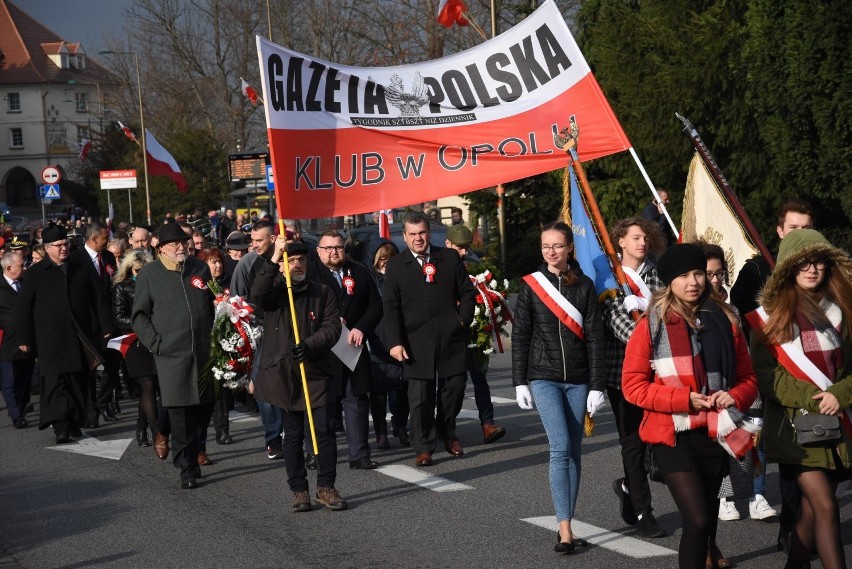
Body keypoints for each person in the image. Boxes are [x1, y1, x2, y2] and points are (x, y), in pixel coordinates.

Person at [622, 244, 759, 569]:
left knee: (707, 527)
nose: (693, 281)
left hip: (716, 432)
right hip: (672, 434)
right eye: (683, 275)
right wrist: (683, 399)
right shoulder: (650, 324)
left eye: (698, 273)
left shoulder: (725, 320)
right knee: (696, 520)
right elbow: (632, 387)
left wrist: (735, 396)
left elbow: (748, 377)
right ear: (670, 281)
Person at [749, 229, 852, 569]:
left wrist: (839, 393)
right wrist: (813, 397)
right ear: (788, 269)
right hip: (794, 429)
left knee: (809, 514)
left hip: (837, 424)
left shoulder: (843, 312)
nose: (812, 269)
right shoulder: (769, 316)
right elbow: (769, 376)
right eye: (803, 263)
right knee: (825, 506)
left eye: (819, 261)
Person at [512, 221, 605, 554]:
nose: (550, 251)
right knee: (560, 445)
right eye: (545, 246)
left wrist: (598, 385)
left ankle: (568, 519)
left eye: (557, 246)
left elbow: (596, 337)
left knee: (575, 453)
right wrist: (519, 381)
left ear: (570, 249)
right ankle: (564, 530)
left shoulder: (585, 286)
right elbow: (520, 335)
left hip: (578, 380)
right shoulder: (532, 286)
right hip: (543, 376)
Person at [729, 198, 815, 553]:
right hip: (777, 376)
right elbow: (740, 314)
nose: (799, 235)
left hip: (816, 378)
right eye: (792, 228)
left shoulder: (822, 271)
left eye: (806, 228)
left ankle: (802, 529)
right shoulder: (757, 270)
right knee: (792, 459)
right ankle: (789, 527)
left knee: (815, 462)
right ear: (780, 232)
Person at [251, 238, 346, 511]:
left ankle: (326, 487)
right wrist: (273, 258)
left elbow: (331, 329)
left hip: (316, 373)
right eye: (291, 260)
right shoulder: (275, 292)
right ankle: (299, 490)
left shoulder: (323, 292)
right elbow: (257, 294)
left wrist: (309, 345)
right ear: (282, 264)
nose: (297, 264)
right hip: (284, 376)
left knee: (324, 432)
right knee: (291, 436)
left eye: (301, 260)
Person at [383, 211, 476, 466]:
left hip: (450, 337)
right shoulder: (395, 265)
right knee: (420, 398)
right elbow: (390, 308)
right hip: (414, 342)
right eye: (412, 234)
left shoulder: (449, 258)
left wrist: (462, 320)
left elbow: (467, 293)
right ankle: (423, 446)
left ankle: (447, 433)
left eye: (422, 232)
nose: (418, 238)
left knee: (454, 389)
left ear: (429, 233)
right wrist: (395, 342)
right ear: (404, 236)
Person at [698, 241, 777, 525]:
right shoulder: (693, 311)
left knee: (755, 434)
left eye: (719, 273)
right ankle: (725, 498)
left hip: (741, 382)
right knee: (724, 440)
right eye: (708, 274)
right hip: (711, 388)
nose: (716, 280)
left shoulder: (732, 308)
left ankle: (757, 495)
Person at [132, 222, 215, 489]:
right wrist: (156, 343)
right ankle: (186, 468)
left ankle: (196, 451)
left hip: (203, 353)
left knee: (203, 411)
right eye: (175, 244)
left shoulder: (199, 268)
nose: (181, 247)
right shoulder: (150, 274)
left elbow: (215, 300)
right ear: (161, 247)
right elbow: (140, 316)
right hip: (171, 355)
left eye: (184, 242)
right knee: (180, 416)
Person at [601, 217, 667, 537]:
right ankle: (644, 512)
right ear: (621, 242)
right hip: (622, 373)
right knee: (633, 443)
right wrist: (651, 342)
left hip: (659, 371)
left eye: (645, 238)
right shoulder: (609, 277)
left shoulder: (658, 275)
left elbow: (670, 314)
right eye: (636, 238)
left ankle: (628, 485)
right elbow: (618, 324)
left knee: (658, 438)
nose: (642, 243)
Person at [16, 225, 102, 444]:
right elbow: (24, 308)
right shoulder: (35, 273)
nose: (64, 248)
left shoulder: (79, 267)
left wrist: (106, 326)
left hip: (77, 336)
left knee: (77, 381)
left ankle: (73, 422)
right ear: (47, 248)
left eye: (66, 244)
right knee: (55, 384)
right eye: (59, 245)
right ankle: (60, 427)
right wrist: (24, 338)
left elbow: (98, 298)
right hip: (49, 339)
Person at [309, 230, 382, 469]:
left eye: (338, 247)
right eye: (328, 248)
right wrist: (327, 323)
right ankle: (317, 453)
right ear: (319, 251)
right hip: (323, 349)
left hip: (353, 346)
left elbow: (375, 305)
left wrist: (361, 327)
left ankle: (359, 454)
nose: (333, 252)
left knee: (357, 400)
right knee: (323, 404)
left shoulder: (359, 271)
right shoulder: (310, 275)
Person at [445, 224, 507, 444]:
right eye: (458, 247)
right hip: (451, 335)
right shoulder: (438, 268)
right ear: (447, 244)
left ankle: (487, 424)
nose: (463, 252)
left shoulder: (475, 268)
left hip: (476, 334)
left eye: (466, 247)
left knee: (480, 379)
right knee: (454, 384)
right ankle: (447, 428)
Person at [231, 220, 281, 457]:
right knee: (263, 385)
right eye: (252, 240)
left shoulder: (292, 258)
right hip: (262, 331)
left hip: (291, 329)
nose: (254, 245)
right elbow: (237, 301)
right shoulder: (247, 263)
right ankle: (273, 437)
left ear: (273, 238)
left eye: (259, 240)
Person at [68, 220, 119, 426]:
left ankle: (101, 403)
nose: (109, 241)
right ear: (94, 238)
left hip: (110, 322)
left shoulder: (107, 257)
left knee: (112, 368)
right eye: (106, 238)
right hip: (88, 324)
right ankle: (90, 412)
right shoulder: (75, 260)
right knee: (89, 371)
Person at [112, 250, 159, 447]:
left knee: (151, 387)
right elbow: (118, 316)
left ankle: (141, 428)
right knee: (146, 384)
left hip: (153, 340)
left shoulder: (155, 285)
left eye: (144, 270)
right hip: (134, 342)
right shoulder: (121, 287)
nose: (140, 273)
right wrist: (140, 323)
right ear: (129, 269)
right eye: (137, 270)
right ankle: (158, 431)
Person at [364, 238, 409, 448]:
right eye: (381, 258)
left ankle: (400, 425)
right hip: (376, 339)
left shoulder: (401, 277)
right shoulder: (368, 279)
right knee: (378, 391)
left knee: (402, 389)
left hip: (400, 338)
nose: (385, 262)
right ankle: (381, 431)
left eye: (390, 258)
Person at [0, 252, 34, 429]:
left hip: (27, 340)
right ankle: (16, 415)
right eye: (21, 265)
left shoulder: (26, 283)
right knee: (9, 382)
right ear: (9, 268)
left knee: (24, 380)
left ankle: (20, 408)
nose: (25, 267)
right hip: (6, 343)